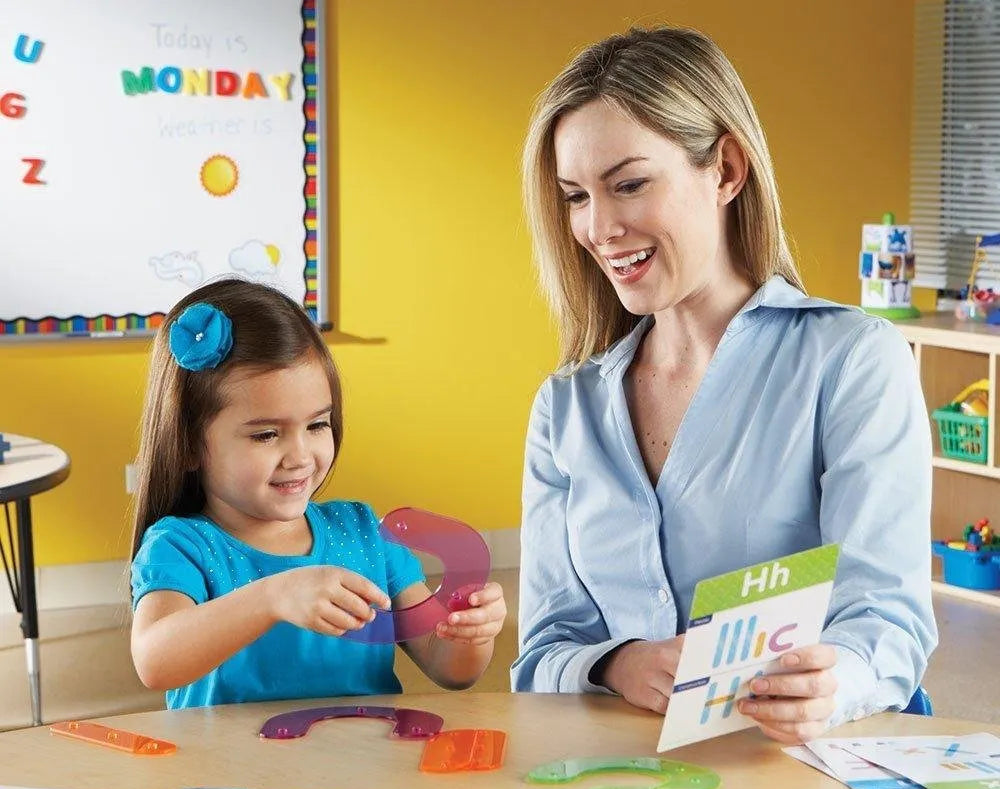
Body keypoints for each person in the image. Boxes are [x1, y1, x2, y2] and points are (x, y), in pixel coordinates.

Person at [511, 25, 937, 743]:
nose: (599, 227)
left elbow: (886, 623)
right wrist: (616, 663)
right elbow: (541, 656)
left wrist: (832, 684)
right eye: (576, 196)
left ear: (727, 171)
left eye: (629, 184)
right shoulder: (566, 405)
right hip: (623, 776)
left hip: (799, 765)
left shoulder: (852, 360)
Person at [130, 278, 506, 708]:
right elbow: (155, 662)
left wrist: (470, 633)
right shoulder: (180, 545)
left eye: (317, 425)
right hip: (230, 754)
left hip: (361, 750)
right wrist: (272, 597)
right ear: (189, 445)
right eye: (266, 434)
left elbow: (450, 669)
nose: (300, 456)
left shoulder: (364, 533)